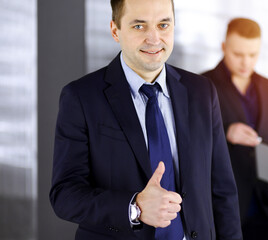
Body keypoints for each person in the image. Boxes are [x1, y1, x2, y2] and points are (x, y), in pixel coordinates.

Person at [49, 0, 243, 239]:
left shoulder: (201, 92)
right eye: (139, 26)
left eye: (163, 25)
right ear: (114, 30)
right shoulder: (81, 97)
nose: (154, 39)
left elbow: (222, 191)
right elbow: (65, 195)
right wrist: (135, 207)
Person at [202, 18, 268, 240]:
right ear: (224, 48)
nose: (246, 62)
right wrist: (226, 132)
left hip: (265, 203)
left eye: (253, 55)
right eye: (238, 54)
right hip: (220, 204)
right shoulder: (202, 85)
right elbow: (189, 142)